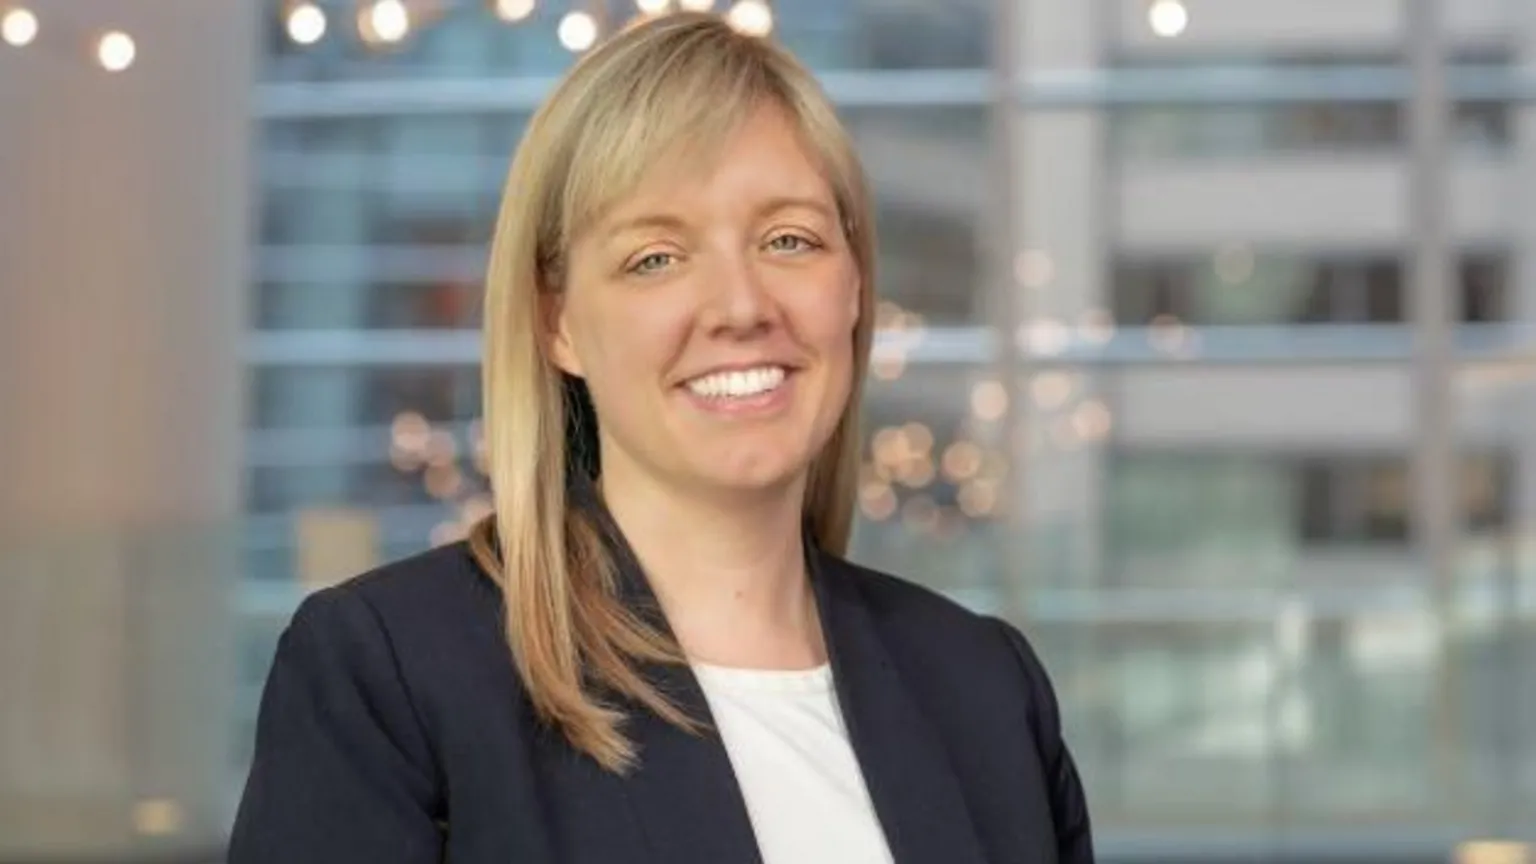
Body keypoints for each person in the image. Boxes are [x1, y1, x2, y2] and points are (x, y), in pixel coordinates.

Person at [227, 11, 1093, 864]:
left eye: (788, 239)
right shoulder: (397, 675)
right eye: (656, 257)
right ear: (557, 322)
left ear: (856, 285)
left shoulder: (985, 689)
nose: (743, 306)